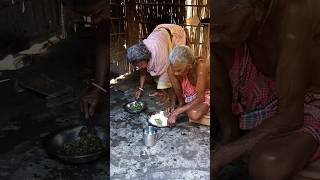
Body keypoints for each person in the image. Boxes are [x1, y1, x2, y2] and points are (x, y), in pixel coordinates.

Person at [212, 0, 320, 179]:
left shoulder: (296, 11)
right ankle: (230, 132)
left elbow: (291, 117)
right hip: (266, 83)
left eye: (223, 28)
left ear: (257, 10)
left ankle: (234, 146)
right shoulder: (247, 20)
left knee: (268, 165)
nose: (214, 37)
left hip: (306, 99)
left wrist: (222, 156)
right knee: (212, 50)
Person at [61, 0, 108, 119]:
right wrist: (98, 87)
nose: (95, 21)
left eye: (99, 12)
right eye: (91, 17)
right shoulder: (103, 20)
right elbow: (103, 41)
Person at [126, 24, 186, 104]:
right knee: (156, 70)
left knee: (169, 68)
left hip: (174, 33)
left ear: (147, 58)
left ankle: (166, 94)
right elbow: (143, 70)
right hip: (160, 34)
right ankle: (161, 90)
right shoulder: (142, 53)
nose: (140, 67)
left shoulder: (160, 56)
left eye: (140, 65)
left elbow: (166, 71)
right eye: (138, 66)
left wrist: (165, 93)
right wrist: (140, 88)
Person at [166, 45, 210, 127]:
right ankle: (181, 103)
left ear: (189, 66)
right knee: (169, 69)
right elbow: (173, 89)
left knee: (193, 114)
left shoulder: (201, 66)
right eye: (176, 70)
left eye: (179, 70)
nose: (176, 73)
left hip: (204, 96)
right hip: (189, 96)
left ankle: (207, 105)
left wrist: (177, 112)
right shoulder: (175, 69)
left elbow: (200, 98)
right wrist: (173, 107)